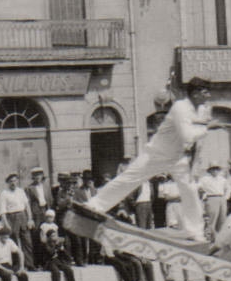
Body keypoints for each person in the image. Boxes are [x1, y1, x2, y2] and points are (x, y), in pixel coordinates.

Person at [80, 77, 215, 241]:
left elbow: (196, 140)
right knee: (130, 178)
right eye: (205, 92)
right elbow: (187, 135)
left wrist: (194, 162)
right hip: (157, 153)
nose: (209, 96)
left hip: (177, 156)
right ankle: (94, 206)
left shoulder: (200, 110)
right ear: (195, 94)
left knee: (190, 190)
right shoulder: (181, 107)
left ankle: (195, 232)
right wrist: (207, 128)